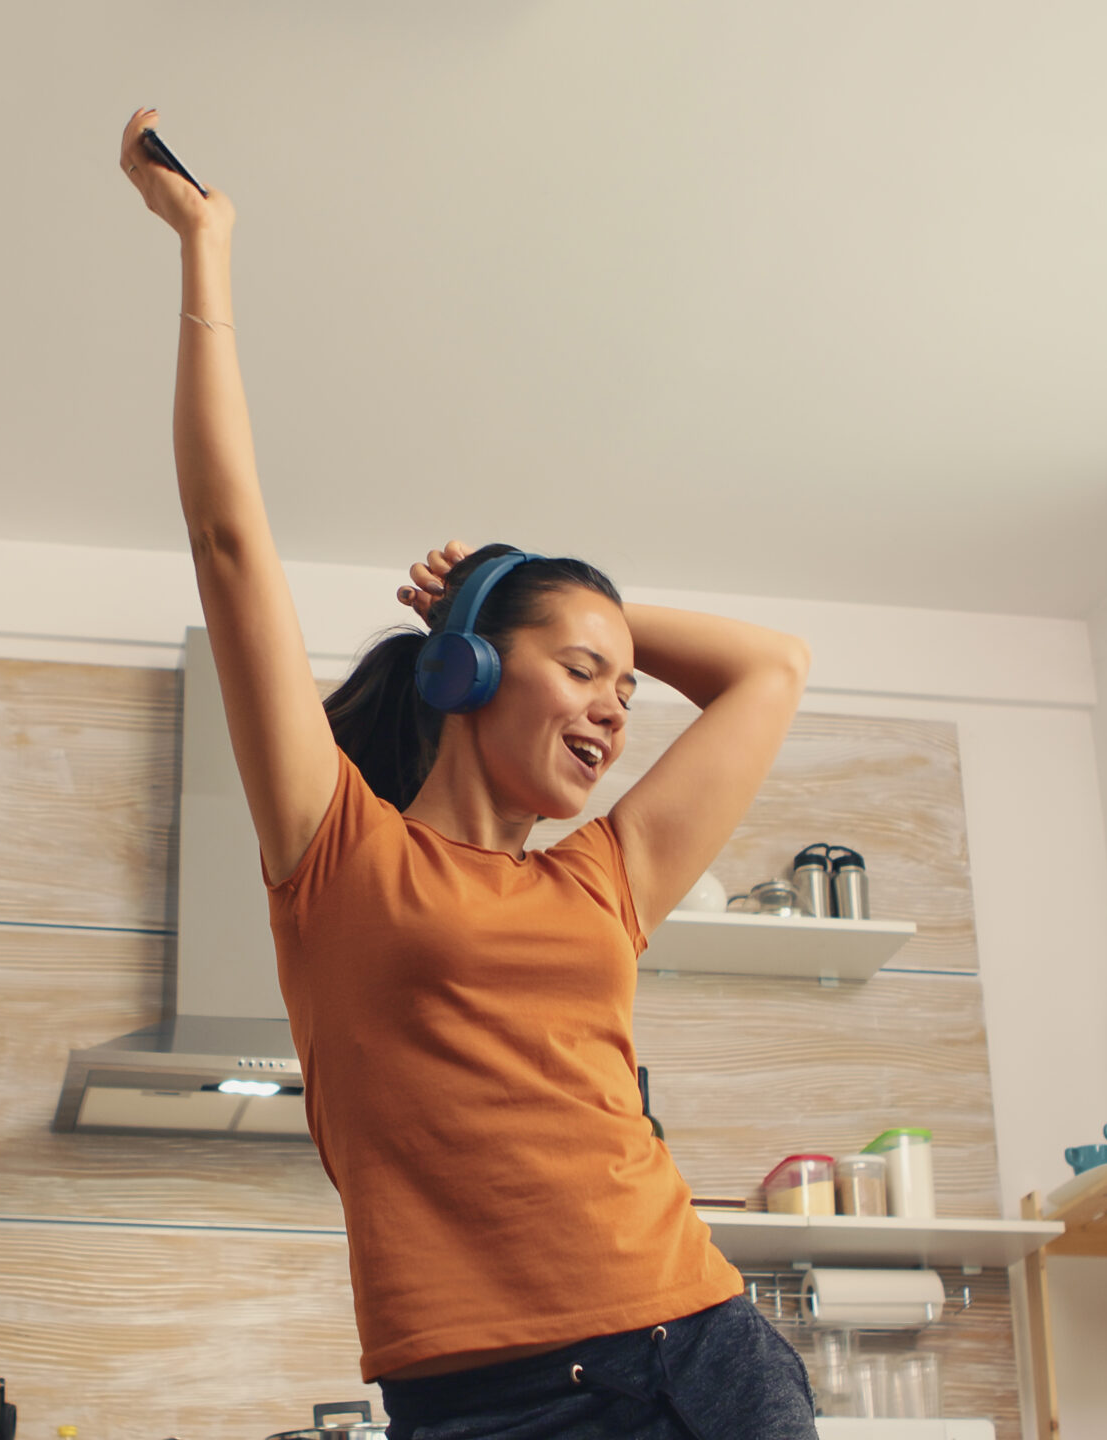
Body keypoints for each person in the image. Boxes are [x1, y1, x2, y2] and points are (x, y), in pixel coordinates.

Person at [120, 108, 820, 1440]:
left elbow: (770, 670)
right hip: (475, 1405)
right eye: (583, 671)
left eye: (626, 688)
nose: (615, 709)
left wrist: (550, 591)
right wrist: (205, 247)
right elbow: (226, 540)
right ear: (465, 673)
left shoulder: (605, 877)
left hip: (698, 1355)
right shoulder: (338, 851)